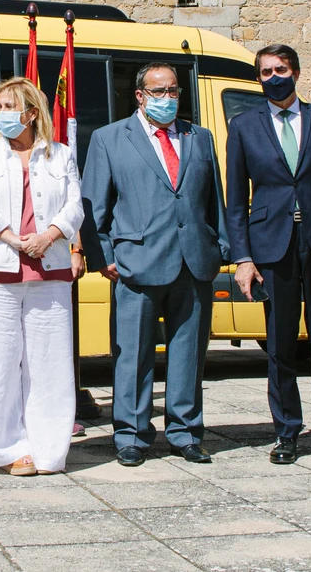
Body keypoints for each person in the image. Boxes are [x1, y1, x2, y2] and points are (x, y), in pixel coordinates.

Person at [80, 63, 223, 468]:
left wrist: (220, 248)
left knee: (189, 353)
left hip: (193, 262)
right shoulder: (110, 138)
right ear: (140, 96)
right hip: (135, 264)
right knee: (132, 354)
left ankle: (186, 432)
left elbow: (215, 200)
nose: (168, 98)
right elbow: (94, 205)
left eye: (174, 91)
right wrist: (103, 257)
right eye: (159, 91)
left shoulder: (199, 137)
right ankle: (131, 435)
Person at [225, 44, 311, 465]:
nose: (274, 78)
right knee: (280, 346)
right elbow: (235, 200)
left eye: (280, 69)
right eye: (266, 72)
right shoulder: (243, 126)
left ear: (296, 73)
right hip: (272, 246)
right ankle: (286, 432)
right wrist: (243, 258)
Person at [0, 78, 84, 475]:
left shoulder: (60, 154)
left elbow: (75, 206)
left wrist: (49, 236)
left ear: (31, 113)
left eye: (10, 106)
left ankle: (48, 450)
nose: (3, 114)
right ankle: (5, 450)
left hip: (50, 267)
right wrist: (13, 238)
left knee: (50, 366)